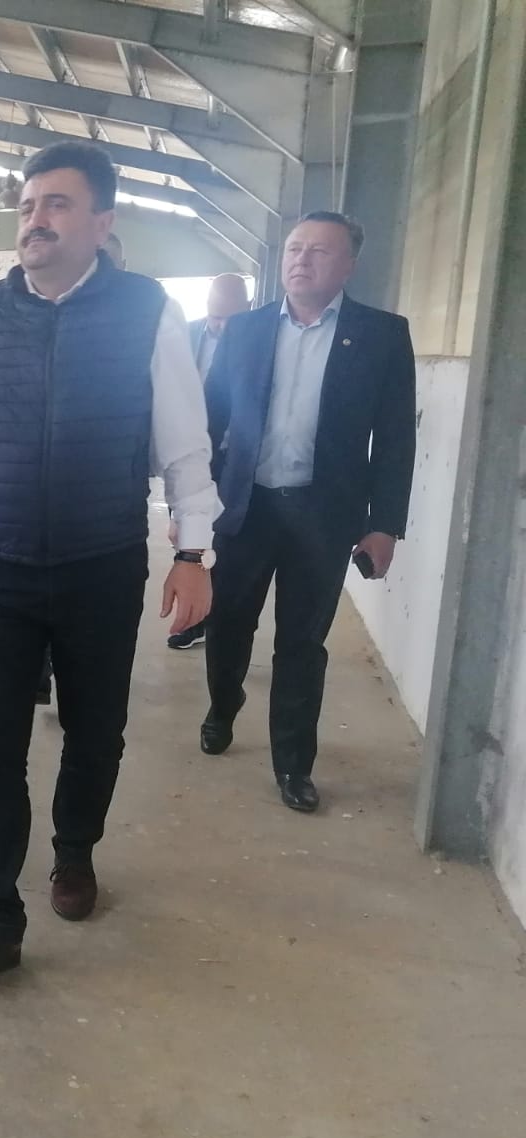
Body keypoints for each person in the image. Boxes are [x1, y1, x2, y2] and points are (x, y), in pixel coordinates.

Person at [0, 142, 219, 1003]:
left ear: (101, 221)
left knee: (95, 729)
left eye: (56, 204)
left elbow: (185, 444)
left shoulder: (147, 312)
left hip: (100, 564)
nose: (35, 220)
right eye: (27, 206)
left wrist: (193, 553)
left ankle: (74, 849)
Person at [199, 212, 416, 815]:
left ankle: (293, 763)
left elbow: (396, 439)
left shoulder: (381, 335)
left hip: (324, 516)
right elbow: (210, 417)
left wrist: (384, 524)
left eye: (319, 251)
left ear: (348, 265)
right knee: (228, 623)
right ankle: (223, 705)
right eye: (295, 248)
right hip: (247, 507)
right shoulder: (244, 330)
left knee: (301, 643)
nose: (301, 259)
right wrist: (192, 502)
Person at [168, 272, 252, 651]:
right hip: (191, 455)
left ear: (248, 308)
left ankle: (210, 617)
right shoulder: (185, 336)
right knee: (188, 541)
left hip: (238, 462)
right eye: (215, 316)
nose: (221, 326)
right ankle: (192, 619)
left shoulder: (257, 339)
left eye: (231, 318)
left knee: (225, 545)